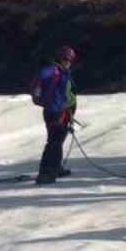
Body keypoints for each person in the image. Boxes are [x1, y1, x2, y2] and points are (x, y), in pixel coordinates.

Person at [30, 44, 77, 185]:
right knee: (53, 142)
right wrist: (43, 99)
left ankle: (56, 168)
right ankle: (44, 173)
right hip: (54, 112)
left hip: (64, 112)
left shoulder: (63, 71)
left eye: (70, 60)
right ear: (60, 58)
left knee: (59, 141)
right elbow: (38, 78)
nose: (68, 62)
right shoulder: (52, 70)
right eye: (66, 59)